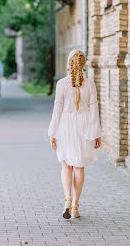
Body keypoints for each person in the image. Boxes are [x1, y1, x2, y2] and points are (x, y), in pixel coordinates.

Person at [48, 49, 102, 219]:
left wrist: (52, 132)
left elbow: (57, 110)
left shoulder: (61, 84)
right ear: (83, 64)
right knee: (79, 167)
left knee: (66, 165)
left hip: (65, 127)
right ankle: (76, 206)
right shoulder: (90, 84)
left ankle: (67, 198)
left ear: (69, 63)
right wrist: (96, 133)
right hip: (84, 127)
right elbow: (94, 111)